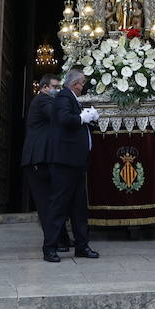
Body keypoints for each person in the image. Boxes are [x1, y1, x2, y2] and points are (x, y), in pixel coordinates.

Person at [42, 69, 100, 262]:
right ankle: (49, 247)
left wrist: (89, 120)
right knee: (59, 206)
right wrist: (83, 117)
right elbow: (65, 120)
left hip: (75, 162)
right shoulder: (64, 98)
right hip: (64, 162)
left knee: (79, 207)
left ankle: (82, 245)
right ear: (75, 83)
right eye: (82, 83)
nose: (83, 86)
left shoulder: (71, 98)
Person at [22, 75, 71, 252]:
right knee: (46, 203)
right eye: (54, 87)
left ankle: (62, 238)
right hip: (37, 159)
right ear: (43, 87)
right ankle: (55, 240)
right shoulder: (43, 101)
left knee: (54, 200)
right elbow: (57, 115)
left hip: (45, 158)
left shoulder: (46, 100)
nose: (57, 90)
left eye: (59, 87)